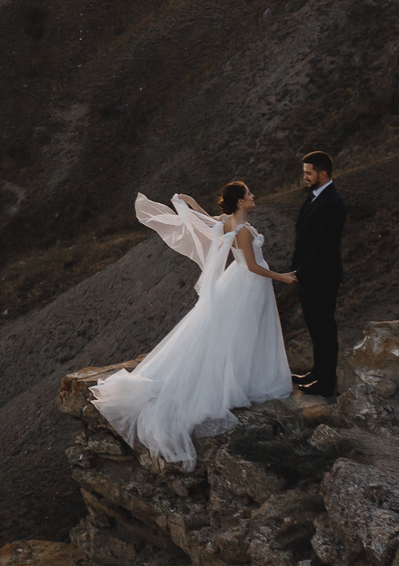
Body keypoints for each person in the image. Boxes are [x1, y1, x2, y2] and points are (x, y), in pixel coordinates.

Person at [90, 180, 297, 467]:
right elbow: (252, 266)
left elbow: (208, 221)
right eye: (248, 193)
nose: (253, 195)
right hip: (248, 283)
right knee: (245, 333)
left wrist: (194, 206)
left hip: (236, 282)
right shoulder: (241, 232)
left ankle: (242, 377)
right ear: (239, 202)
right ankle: (240, 381)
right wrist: (283, 276)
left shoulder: (228, 222)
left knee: (237, 333)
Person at [289, 150, 346, 398]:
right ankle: (317, 372)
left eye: (309, 173)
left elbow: (324, 244)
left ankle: (326, 382)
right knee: (315, 326)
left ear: (323, 173)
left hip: (322, 277)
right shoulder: (315, 196)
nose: (305, 177)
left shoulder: (332, 201)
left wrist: (301, 271)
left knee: (324, 328)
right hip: (310, 275)